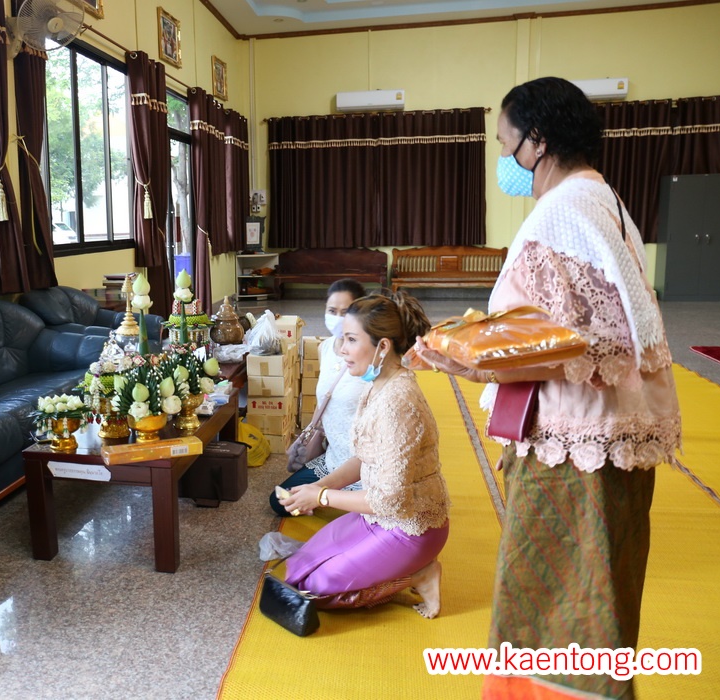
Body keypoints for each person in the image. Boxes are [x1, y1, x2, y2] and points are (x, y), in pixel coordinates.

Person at [414, 77, 681, 699]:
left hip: (572, 437)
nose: (503, 158)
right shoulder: (603, 197)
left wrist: (464, 355)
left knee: (551, 597)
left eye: (505, 142)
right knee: (603, 591)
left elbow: (560, 341)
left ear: (536, 141)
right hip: (614, 428)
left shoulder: (559, 212)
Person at [278, 292, 450, 616]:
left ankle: (420, 574)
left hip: (410, 527)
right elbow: (363, 458)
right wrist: (319, 487)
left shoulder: (397, 403)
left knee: (313, 591)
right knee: (297, 568)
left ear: (382, 346)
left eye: (351, 339)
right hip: (377, 517)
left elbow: (389, 501)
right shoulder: (378, 384)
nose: (342, 348)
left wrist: (322, 497)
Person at [270, 278, 369, 516]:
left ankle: (340, 500)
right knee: (280, 501)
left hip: (364, 463)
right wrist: (313, 434)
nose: (338, 318)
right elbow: (325, 398)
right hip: (334, 458)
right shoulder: (325, 348)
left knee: (369, 515)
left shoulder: (370, 356)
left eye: (346, 312)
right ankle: (333, 499)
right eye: (332, 311)